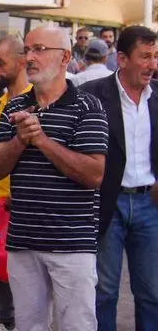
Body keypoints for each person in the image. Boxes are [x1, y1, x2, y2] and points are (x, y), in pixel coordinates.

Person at [0, 26, 109, 331]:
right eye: (26, 50)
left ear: (65, 57)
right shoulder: (14, 106)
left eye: (39, 49)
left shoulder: (87, 107)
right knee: (29, 326)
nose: (29, 57)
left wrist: (42, 141)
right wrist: (19, 140)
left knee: (76, 325)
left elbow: (94, 174)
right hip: (23, 242)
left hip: (71, 244)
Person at [80, 26, 158, 331]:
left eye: (155, 56)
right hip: (106, 204)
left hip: (150, 206)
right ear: (122, 59)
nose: (152, 64)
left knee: (151, 292)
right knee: (104, 291)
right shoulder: (93, 95)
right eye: (145, 57)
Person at [0, 36, 31, 331]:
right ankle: (9, 321)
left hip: (19, 201)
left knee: (20, 272)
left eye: (0, 63)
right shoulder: (2, 101)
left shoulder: (36, 98)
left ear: (21, 62)